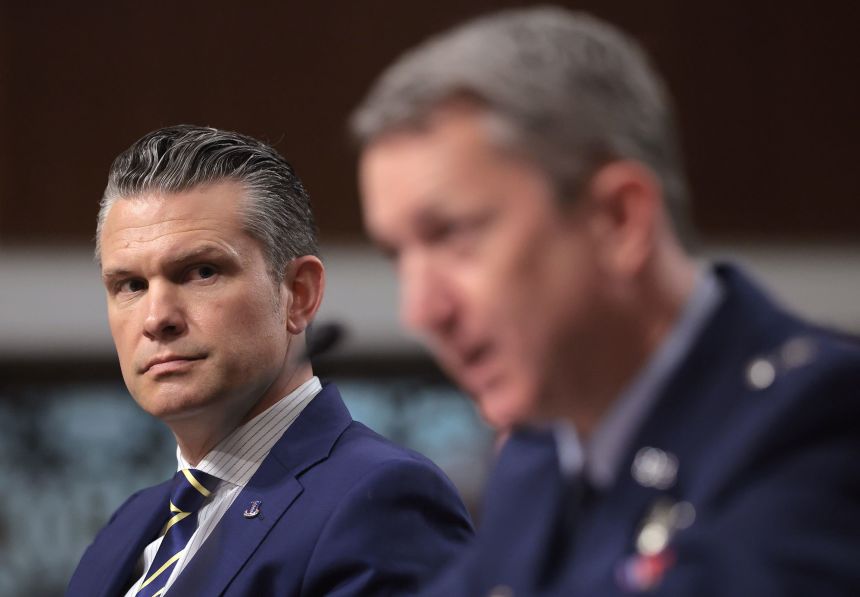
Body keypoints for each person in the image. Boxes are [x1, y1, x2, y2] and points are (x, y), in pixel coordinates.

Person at [351, 6, 860, 596]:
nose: (421, 312)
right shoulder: (541, 455)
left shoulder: (820, 422)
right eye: (398, 256)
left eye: (456, 236)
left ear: (618, 220)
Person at [67, 125, 473, 597]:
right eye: (131, 285)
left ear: (298, 294)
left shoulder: (380, 497)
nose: (157, 319)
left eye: (201, 272)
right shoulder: (124, 529)